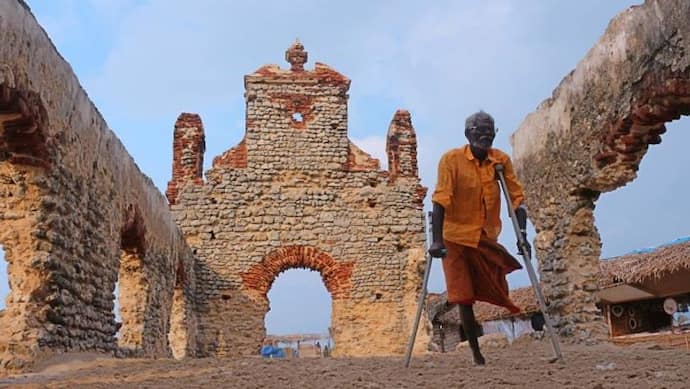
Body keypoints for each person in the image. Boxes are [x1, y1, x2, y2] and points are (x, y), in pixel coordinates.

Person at [429, 110, 530, 365]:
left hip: (485, 235)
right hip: (454, 236)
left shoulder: (500, 160)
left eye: (489, 131)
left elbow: (516, 199)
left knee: (495, 282)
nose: (484, 134)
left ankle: (480, 344)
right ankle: (477, 354)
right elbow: (440, 200)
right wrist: (437, 240)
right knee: (463, 295)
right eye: (478, 130)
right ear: (467, 134)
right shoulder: (451, 160)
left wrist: (523, 235)